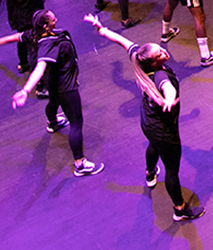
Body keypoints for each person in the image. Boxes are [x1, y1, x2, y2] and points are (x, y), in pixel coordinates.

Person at [83, 14, 206, 220]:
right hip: (163, 129)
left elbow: (122, 42)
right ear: (154, 63)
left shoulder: (139, 58)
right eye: (160, 53)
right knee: (172, 170)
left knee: (154, 145)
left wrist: (101, 29)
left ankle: (150, 174)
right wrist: (169, 99)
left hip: (148, 121)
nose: (164, 51)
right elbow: (167, 88)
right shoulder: (159, 75)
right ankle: (180, 209)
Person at [0, 10, 105, 178]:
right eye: (53, 19)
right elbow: (40, 67)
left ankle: (52, 123)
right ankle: (80, 163)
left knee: (53, 101)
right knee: (76, 123)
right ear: (46, 25)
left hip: (52, 80)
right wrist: (25, 90)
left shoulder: (34, 33)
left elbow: (15, 37)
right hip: (66, 86)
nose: (56, 19)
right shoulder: (48, 43)